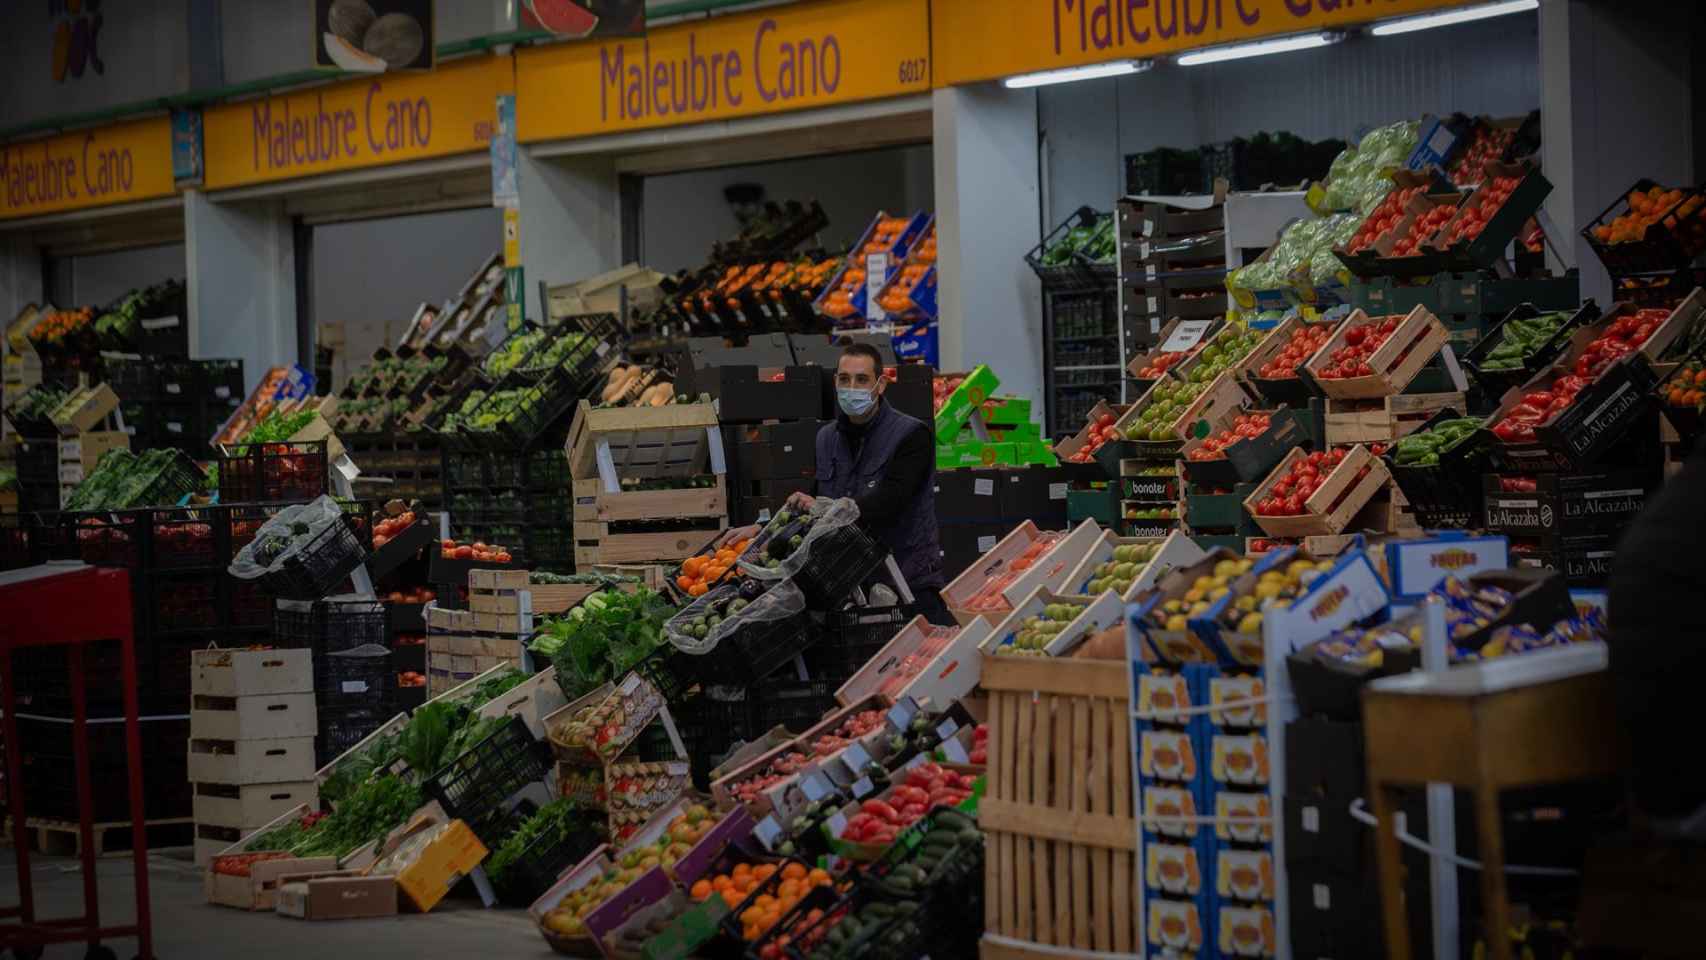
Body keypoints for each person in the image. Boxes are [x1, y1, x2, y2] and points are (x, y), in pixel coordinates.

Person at [721, 343, 951, 624]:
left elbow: (891, 500)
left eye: (862, 379)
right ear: (835, 383)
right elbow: (815, 502)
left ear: (880, 385)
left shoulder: (912, 435)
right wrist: (763, 531)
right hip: (850, 585)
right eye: (844, 379)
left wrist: (824, 507)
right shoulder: (826, 439)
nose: (852, 387)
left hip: (906, 581)